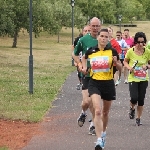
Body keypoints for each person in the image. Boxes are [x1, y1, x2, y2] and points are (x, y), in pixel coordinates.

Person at [81, 28, 122, 150]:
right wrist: (84, 67)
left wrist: (116, 63)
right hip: (94, 83)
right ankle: (99, 140)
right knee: (97, 110)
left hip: (108, 83)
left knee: (105, 112)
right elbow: (84, 58)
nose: (104, 38)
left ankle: (103, 133)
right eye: (102, 36)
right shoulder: (91, 50)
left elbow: (120, 67)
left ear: (109, 38)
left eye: (106, 37)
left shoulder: (112, 51)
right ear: (98, 37)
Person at [72, 17, 101, 135]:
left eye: (97, 26)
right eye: (93, 26)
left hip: (99, 76)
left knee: (95, 103)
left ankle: (93, 125)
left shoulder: (104, 41)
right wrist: (79, 64)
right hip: (87, 75)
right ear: (89, 27)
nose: (95, 28)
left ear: (100, 27)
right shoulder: (83, 40)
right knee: (86, 102)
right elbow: (74, 54)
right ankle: (83, 113)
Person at [124, 32, 150, 126]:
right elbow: (125, 62)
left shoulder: (147, 51)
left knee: (141, 99)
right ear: (135, 42)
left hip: (143, 78)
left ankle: (138, 118)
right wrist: (129, 67)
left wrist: (147, 66)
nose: (140, 44)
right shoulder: (131, 51)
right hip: (133, 78)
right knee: (134, 98)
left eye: (142, 42)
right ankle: (132, 108)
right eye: (138, 42)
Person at [73, 25, 91, 90]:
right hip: (80, 60)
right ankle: (81, 82)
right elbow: (74, 50)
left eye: (89, 31)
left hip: (89, 63)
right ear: (82, 32)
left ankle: (84, 85)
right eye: (85, 31)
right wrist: (76, 61)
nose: (87, 32)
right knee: (79, 73)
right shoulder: (78, 39)